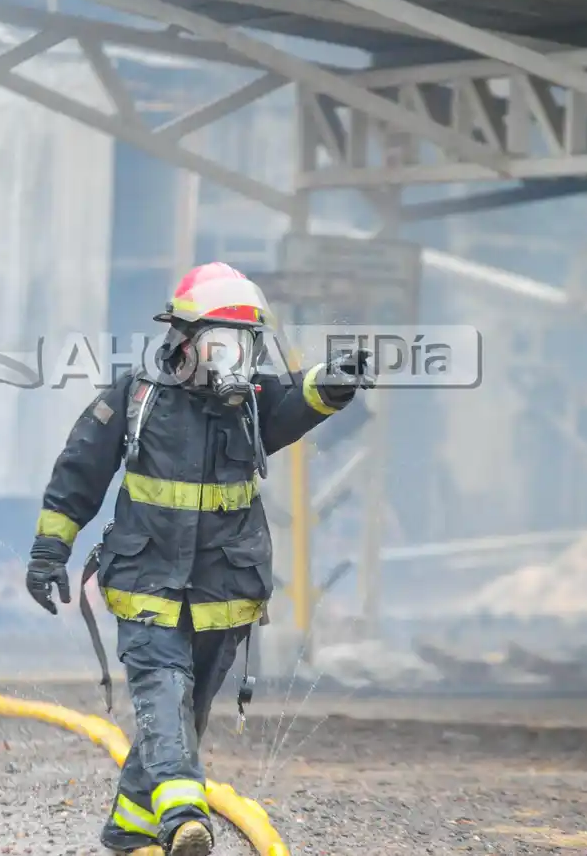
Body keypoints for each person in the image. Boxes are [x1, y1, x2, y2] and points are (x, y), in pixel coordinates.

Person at [24, 262, 372, 856]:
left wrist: (333, 384)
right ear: (184, 341)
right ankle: (185, 816)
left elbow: (298, 395)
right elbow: (79, 470)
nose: (236, 359)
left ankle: (129, 827)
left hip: (222, 596)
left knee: (184, 716)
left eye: (246, 345)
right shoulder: (135, 398)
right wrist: (50, 549)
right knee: (162, 694)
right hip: (145, 586)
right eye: (223, 343)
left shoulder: (252, 405)